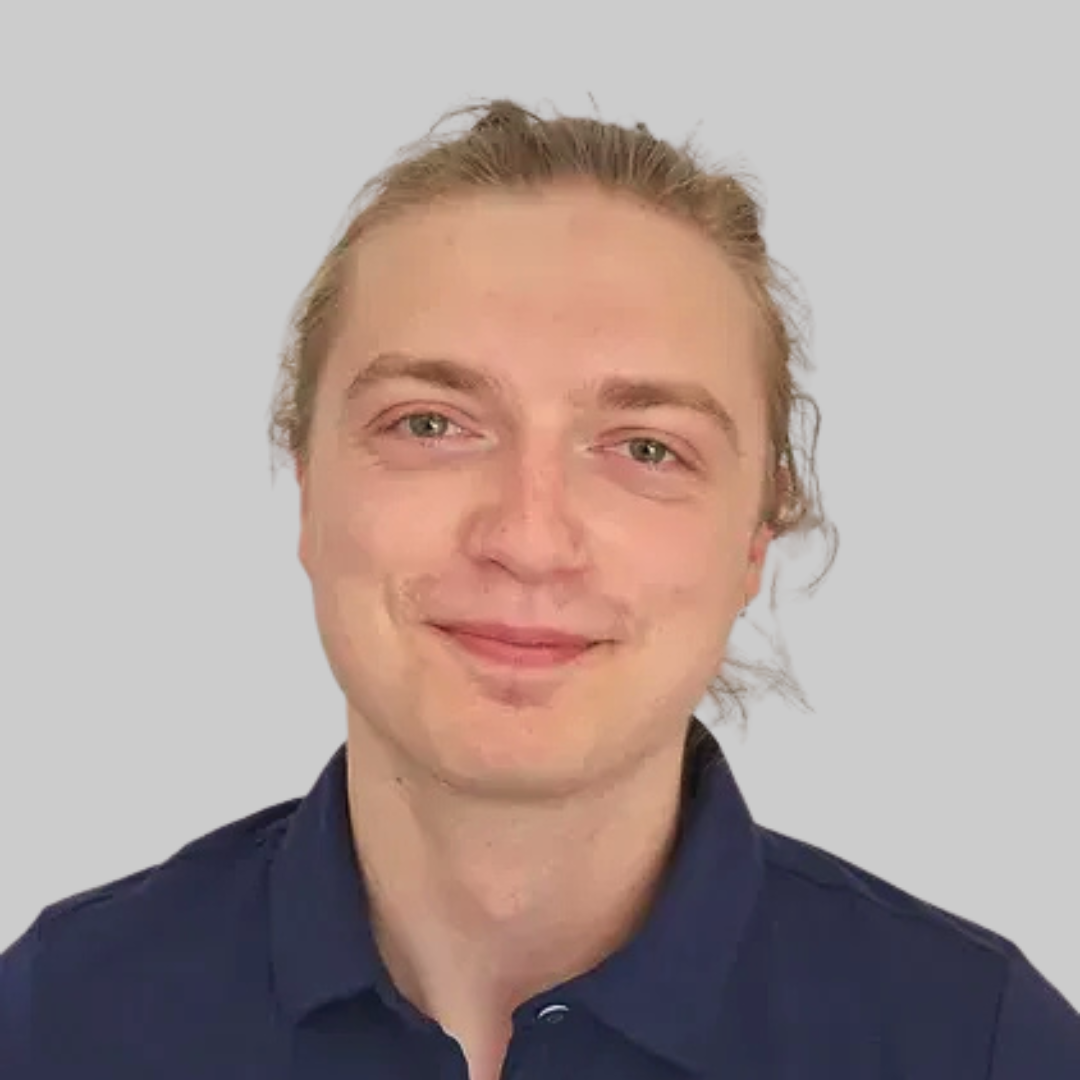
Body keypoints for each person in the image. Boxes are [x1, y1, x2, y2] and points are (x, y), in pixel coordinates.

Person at [1, 96, 1077, 1080]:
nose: (528, 537)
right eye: (431, 424)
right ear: (309, 489)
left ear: (755, 539)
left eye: (647, 447)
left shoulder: (978, 1046)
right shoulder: (57, 1022)